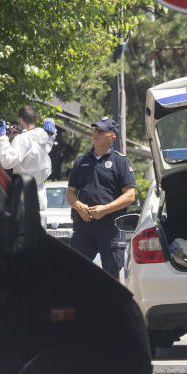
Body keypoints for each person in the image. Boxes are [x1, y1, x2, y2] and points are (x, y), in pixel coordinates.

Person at [66, 117, 136, 279]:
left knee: (111, 276)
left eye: (101, 131)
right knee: (73, 271)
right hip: (84, 225)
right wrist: (79, 206)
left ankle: (112, 305)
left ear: (113, 137)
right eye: (95, 130)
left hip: (110, 227)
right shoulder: (81, 161)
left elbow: (130, 195)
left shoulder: (121, 161)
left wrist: (105, 209)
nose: (96, 134)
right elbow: (70, 193)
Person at [0, 105, 53, 210]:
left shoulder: (22, 139)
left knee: (23, 225)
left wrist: (2, 137)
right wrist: (49, 122)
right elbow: (50, 136)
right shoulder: (45, 136)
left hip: (25, 194)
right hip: (40, 194)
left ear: (19, 120)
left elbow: (7, 162)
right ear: (36, 119)